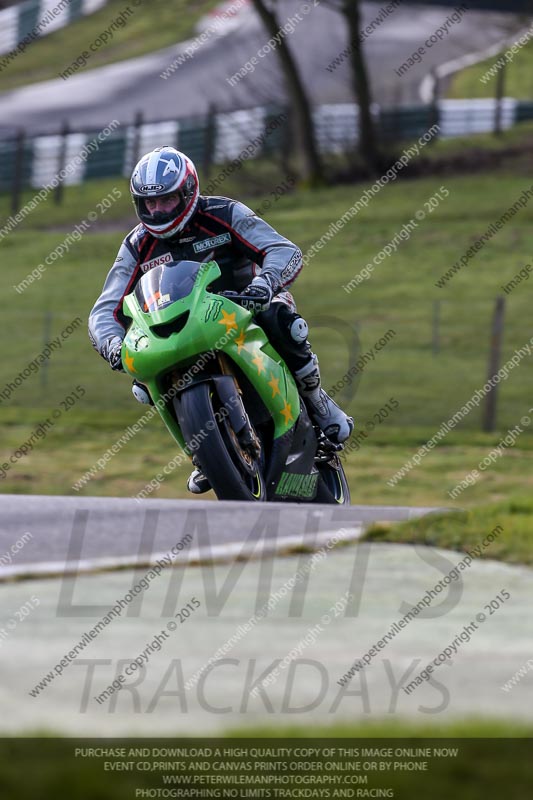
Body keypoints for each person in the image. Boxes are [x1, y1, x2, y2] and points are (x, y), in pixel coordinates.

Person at [88, 146, 353, 494]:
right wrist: (112, 346)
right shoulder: (137, 244)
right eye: (148, 203)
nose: (157, 210)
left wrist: (265, 283)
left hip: (246, 305)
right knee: (142, 383)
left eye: (165, 200)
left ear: (187, 192)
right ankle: (206, 452)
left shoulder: (224, 212)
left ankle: (320, 405)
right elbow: (103, 310)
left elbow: (283, 250)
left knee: (281, 318)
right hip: (178, 323)